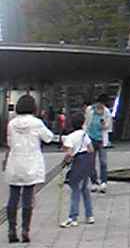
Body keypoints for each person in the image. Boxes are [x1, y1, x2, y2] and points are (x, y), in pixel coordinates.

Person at [2, 94, 53, 243]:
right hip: (31, 162)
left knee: (13, 197)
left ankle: (11, 229)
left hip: (15, 162)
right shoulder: (36, 123)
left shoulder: (12, 123)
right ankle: (25, 230)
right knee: (28, 198)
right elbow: (48, 137)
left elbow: (9, 142)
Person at [60, 111, 95, 228]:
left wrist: (65, 162)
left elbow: (69, 153)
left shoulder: (70, 137)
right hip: (86, 162)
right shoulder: (84, 134)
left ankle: (73, 217)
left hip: (77, 162)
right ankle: (89, 215)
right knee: (84, 189)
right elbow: (91, 149)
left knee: (75, 189)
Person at [84, 95, 112, 193]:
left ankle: (104, 182)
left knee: (103, 162)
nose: (100, 106)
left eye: (102, 104)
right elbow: (86, 123)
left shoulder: (107, 112)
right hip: (91, 139)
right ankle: (94, 182)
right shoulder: (90, 110)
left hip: (101, 140)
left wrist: (104, 124)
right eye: (99, 103)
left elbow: (108, 127)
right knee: (91, 162)